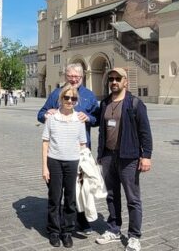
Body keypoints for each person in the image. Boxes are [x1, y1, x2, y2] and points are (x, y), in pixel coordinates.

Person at [38, 63, 99, 235]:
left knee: (78, 189)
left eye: (76, 77)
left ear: (82, 77)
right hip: (57, 152)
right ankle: (55, 227)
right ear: (66, 76)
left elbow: (98, 118)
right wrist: (46, 114)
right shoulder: (56, 94)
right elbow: (40, 114)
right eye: (70, 76)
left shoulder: (89, 96)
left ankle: (81, 221)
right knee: (57, 193)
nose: (73, 79)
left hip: (79, 151)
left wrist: (88, 117)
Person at [95, 67, 152, 251]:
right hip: (108, 156)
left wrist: (146, 156)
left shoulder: (135, 103)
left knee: (132, 198)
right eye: (111, 79)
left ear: (125, 81)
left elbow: (145, 132)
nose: (113, 82)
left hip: (129, 157)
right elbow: (101, 130)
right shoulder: (104, 103)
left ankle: (134, 236)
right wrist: (100, 154)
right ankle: (114, 228)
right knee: (111, 196)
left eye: (117, 79)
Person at [42, 84, 87, 248]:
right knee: (54, 198)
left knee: (70, 200)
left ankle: (67, 232)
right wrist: (44, 167)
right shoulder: (52, 118)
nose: (70, 101)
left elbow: (83, 145)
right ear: (61, 99)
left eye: (73, 98)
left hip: (73, 162)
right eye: (67, 97)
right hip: (54, 161)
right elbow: (45, 143)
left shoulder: (79, 120)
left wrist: (83, 168)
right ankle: (54, 231)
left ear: (76, 101)